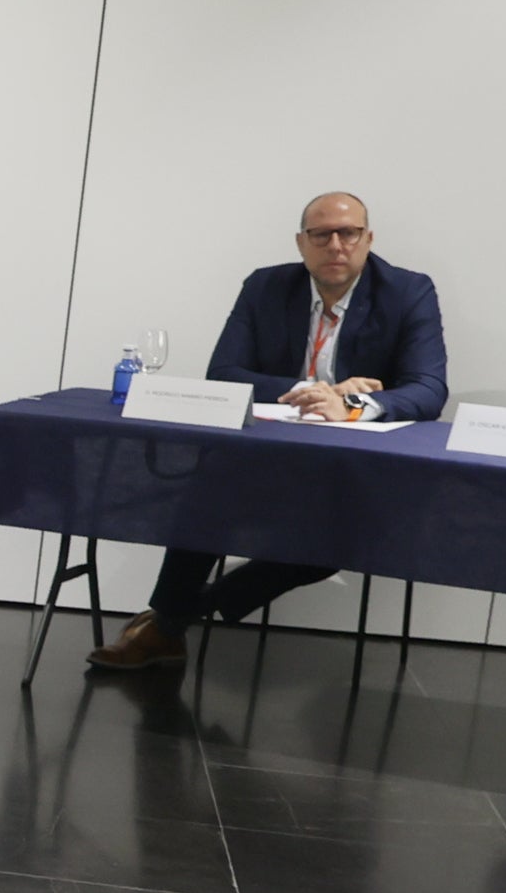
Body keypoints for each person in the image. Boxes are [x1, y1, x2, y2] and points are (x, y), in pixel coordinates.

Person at [89, 192, 455, 674]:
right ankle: (167, 628)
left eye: (348, 233)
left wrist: (349, 406)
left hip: (354, 466)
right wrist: (309, 391)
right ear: (301, 243)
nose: (336, 245)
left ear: (368, 239)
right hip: (269, 457)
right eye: (321, 234)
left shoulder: (407, 292)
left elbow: (429, 389)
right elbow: (223, 373)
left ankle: (173, 619)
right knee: (206, 491)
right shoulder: (266, 286)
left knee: (330, 543)